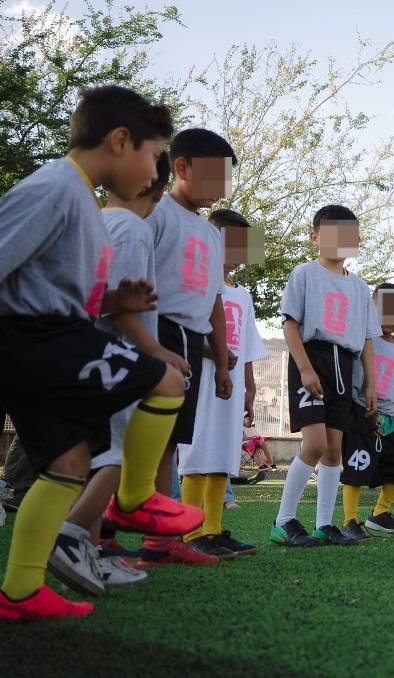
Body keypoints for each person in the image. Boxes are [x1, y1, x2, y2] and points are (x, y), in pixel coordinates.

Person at [0, 85, 200, 621]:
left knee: (69, 464)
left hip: (46, 337)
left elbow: (46, 281)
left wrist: (115, 300)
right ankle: (134, 500)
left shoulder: (81, 201)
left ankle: (18, 593)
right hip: (34, 340)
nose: (154, 172)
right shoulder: (55, 188)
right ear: (120, 141)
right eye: (154, 156)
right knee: (166, 380)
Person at [45, 151, 178, 596]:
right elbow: (120, 306)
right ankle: (70, 534)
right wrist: (157, 354)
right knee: (122, 457)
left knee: (93, 458)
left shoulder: (96, 223)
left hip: (80, 355)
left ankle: (92, 549)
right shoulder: (134, 229)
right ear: (159, 191)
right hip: (114, 360)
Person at [140, 128, 237, 567]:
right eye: (215, 178)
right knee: (128, 439)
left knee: (167, 444)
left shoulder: (212, 234)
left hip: (191, 343)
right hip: (151, 332)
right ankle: (98, 540)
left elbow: (212, 299)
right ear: (181, 167)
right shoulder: (154, 212)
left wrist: (219, 359)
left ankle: (159, 544)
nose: (220, 190)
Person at [270, 205, 380, 547]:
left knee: (335, 450)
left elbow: (365, 340)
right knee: (315, 444)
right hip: (312, 358)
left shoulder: (361, 288)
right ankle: (283, 520)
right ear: (315, 237)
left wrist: (371, 384)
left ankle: (324, 524)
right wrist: (304, 368)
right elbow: (290, 324)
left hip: (344, 367)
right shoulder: (303, 274)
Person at [176, 208, 266, 559]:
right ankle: (190, 532)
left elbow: (245, 345)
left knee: (223, 455)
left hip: (231, 387)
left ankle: (213, 530)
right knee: (198, 453)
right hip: (200, 381)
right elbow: (181, 329)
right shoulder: (196, 280)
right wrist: (210, 352)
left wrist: (250, 386)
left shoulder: (243, 294)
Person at [340, 283, 394, 539]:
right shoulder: (363, 339)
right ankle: (350, 520)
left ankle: (380, 513)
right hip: (361, 411)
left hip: (389, 417)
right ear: (373, 309)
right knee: (357, 465)